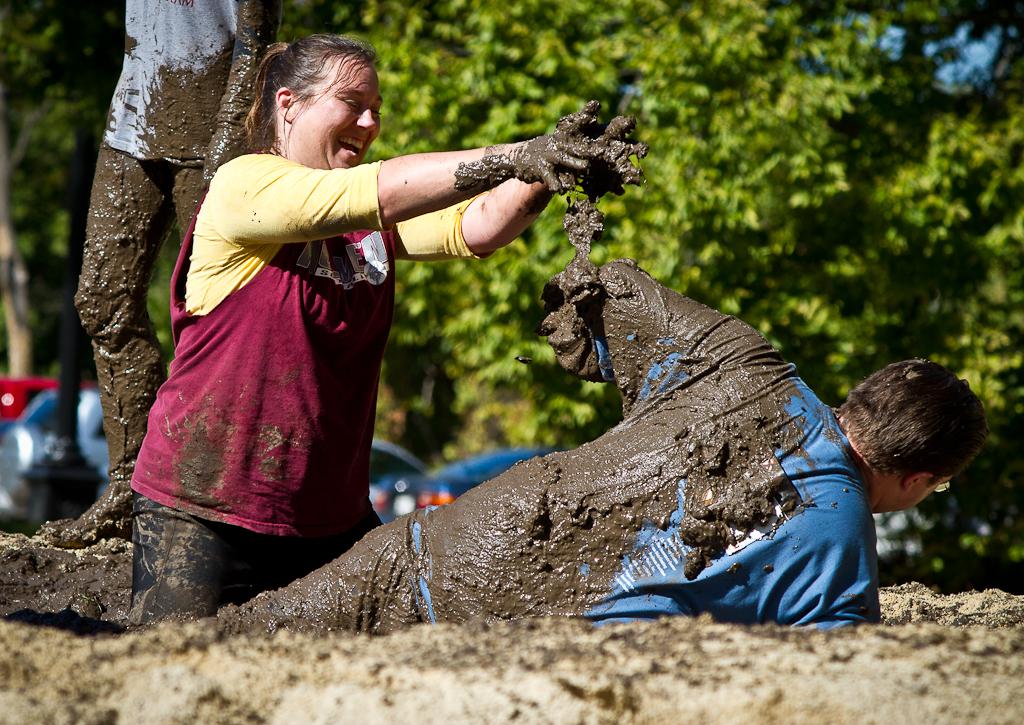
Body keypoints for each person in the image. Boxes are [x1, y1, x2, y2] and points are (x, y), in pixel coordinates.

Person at [126, 34, 645, 624]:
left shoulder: (365, 231)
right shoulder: (244, 184)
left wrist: (552, 170)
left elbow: (475, 227)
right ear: (289, 104)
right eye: (352, 102)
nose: (370, 122)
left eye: (376, 109)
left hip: (329, 519)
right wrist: (520, 152)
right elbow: (376, 190)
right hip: (203, 508)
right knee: (176, 682)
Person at [216, 256, 987, 635]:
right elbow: (839, 670)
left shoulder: (745, 360)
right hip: (512, 626)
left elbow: (611, 282)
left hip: (437, 544)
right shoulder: (843, 549)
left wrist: (582, 338)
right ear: (919, 478)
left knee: (234, 636)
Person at [42, 0, 281, 547]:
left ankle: (206, 498)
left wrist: (228, 139)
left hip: (216, 134)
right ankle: (131, 487)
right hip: (132, 121)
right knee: (102, 301)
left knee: (219, 317)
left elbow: (257, 34)